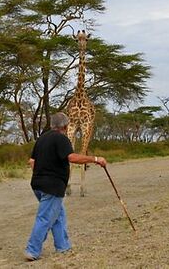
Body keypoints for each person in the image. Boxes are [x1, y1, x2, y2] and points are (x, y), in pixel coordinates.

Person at [24, 112, 107, 261]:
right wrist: (95, 159)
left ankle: (63, 246)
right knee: (45, 218)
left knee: (58, 215)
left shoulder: (42, 139)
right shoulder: (61, 139)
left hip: (37, 184)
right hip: (52, 187)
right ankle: (32, 250)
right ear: (65, 126)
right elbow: (72, 157)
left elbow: (31, 161)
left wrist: (42, 173)